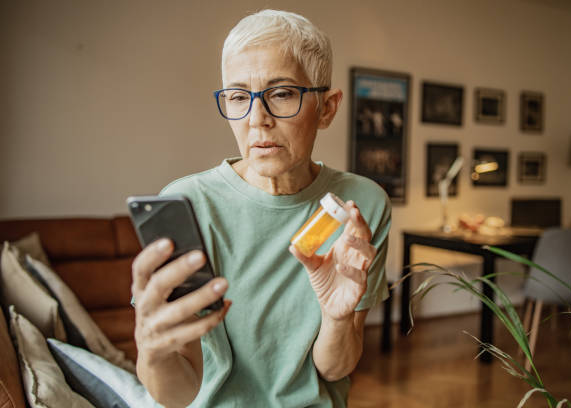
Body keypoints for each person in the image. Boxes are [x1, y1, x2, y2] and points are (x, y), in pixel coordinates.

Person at [130, 9, 391, 408]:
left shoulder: (362, 206)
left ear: (328, 108)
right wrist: (151, 349)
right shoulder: (186, 205)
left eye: (281, 93)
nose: (257, 120)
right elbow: (178, 395)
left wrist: (339, 318)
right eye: (238, 96)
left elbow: (335, 369)